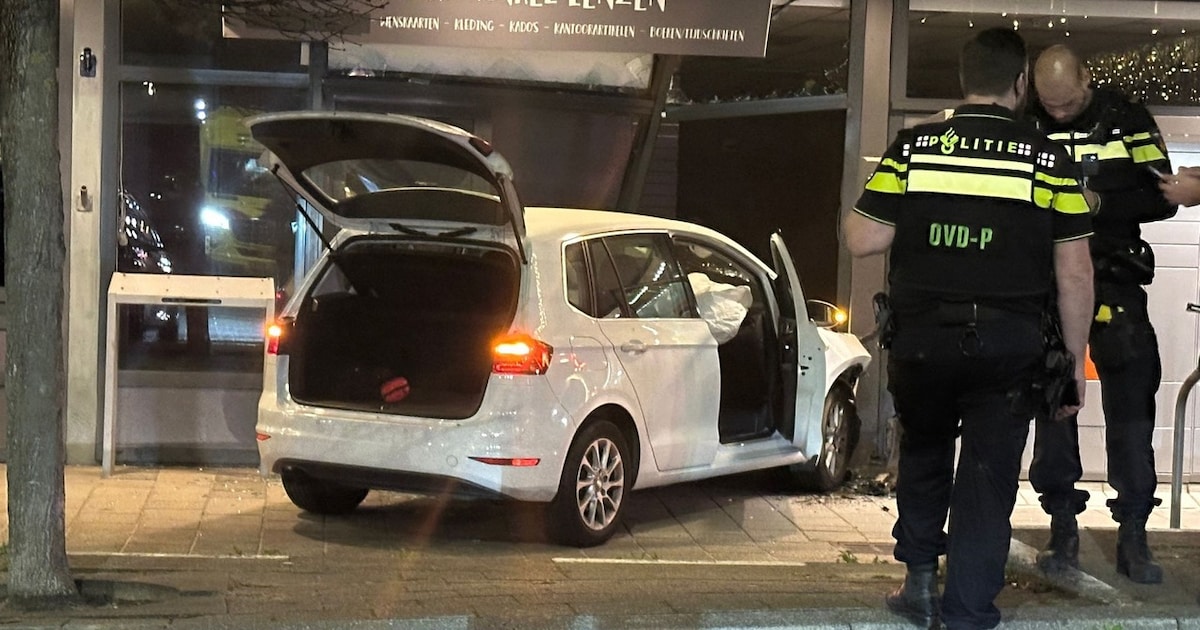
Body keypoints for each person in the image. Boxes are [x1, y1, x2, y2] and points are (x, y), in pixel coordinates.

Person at [843, 28, 1094, 630]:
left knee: (926, 452)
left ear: (964, 81)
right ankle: (968, 612)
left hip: (924, 340)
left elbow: (862, 237)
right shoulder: (1048, 159)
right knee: (987, 476)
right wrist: (1074, 363)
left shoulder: (915, 148)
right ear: (1020, 82)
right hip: (1010, 347)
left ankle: (920, 585)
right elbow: (1076, 273)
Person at [1027, 44, 1178, 584]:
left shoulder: (1126, 118)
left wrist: (1101, 204)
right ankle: (1062, 527)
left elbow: (1164, 197)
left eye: (1067, 104)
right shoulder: (1027, 120)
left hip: (1113, 277)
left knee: (1132, 406)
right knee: (1054, 404)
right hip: (1047, 285)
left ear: (1087, 80)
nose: (1059, 113)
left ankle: (1133, 534)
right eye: (1051, 105)